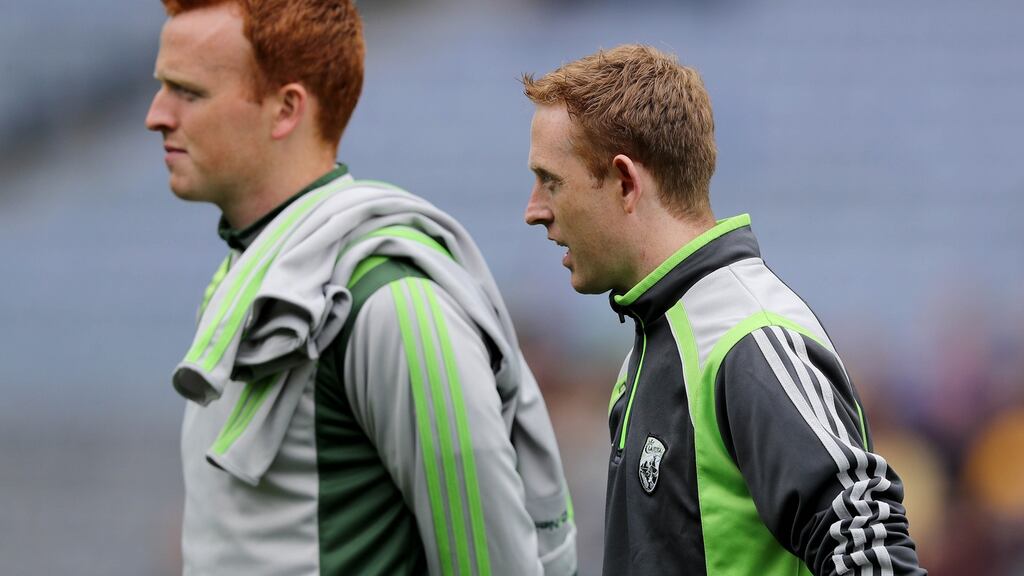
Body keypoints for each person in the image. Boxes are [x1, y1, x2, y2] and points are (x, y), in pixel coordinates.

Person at [145, 1, 576, 574]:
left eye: (188, 92)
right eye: (161, 88)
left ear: (285, 110)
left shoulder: (391, 300)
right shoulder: (249, 277)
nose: (157, 114)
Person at [522, 44, 925, 576]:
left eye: (551, 181)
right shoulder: (655, 342)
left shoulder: (747, 337)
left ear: (625, 182)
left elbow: (873, 555)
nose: (535, 211)